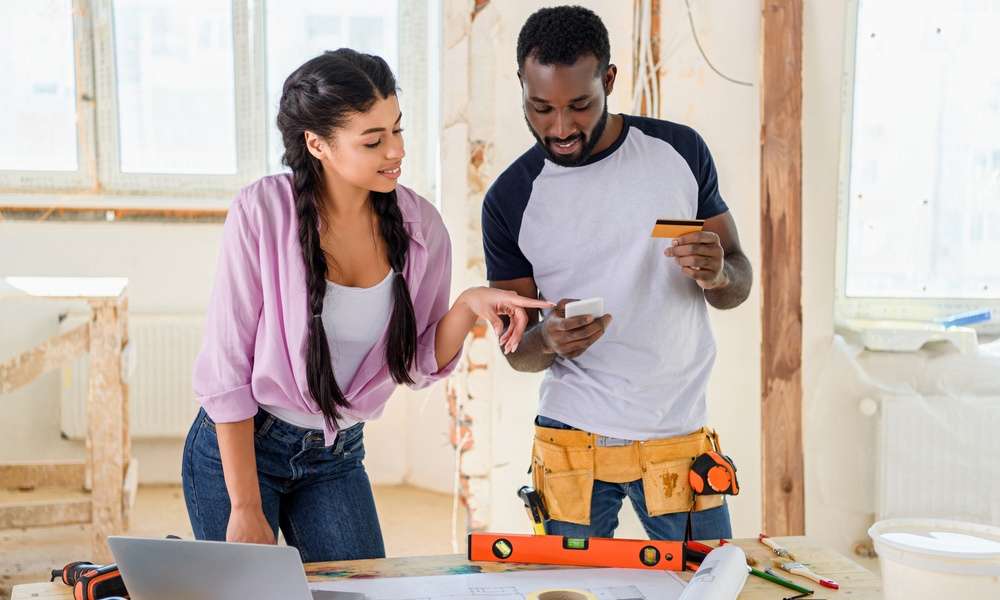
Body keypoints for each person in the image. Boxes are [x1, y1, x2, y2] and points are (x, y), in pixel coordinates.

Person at [182, 49, 549, 562]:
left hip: (337, 453)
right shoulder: (262, 211)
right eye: (373, 140)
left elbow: (418, 364)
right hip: (244, 447)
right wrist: (244, 506)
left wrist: (466, 306)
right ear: (317, 144)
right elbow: (226, 368)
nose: (395, 151)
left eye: (397, 130)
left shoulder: (421, 229)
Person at [482, 6, 753, 540]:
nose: (559, 128)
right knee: (570, 593)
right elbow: (518, 352)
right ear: (521, 85)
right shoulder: (510, 199)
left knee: (710, 582)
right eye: (540, 108)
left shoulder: (679, 152)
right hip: (571, 442)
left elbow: (737, 283)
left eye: (579, 105)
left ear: (608, 80)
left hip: (676, 435)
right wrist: (550, 339)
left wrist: (718, 274)